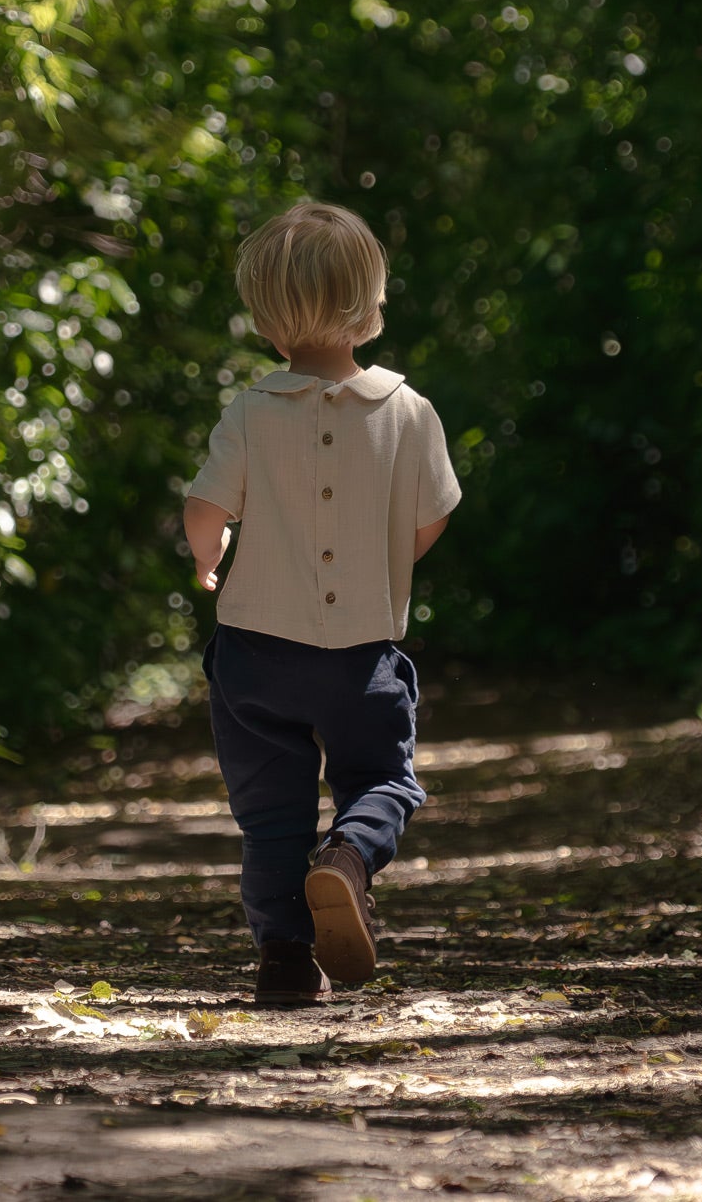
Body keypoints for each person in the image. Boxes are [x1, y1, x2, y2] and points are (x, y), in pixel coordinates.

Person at [183, 200, 462, 1005]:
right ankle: (348, 856)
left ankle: (283, 962)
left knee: (270, 816)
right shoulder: (411, 413)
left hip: (256, 653)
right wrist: (386, 564)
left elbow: (207, 511)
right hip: (360, 653)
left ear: (269, 322)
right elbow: (434, 513)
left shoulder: (249, 412)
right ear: (371, 308)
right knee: (382, 778)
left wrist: (212, 558)